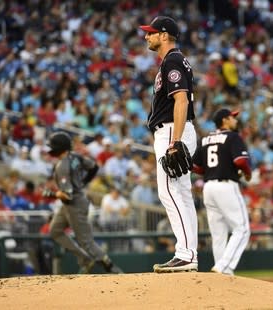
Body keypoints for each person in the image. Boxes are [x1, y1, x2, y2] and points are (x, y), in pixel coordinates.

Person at [139, 16, 198, 272]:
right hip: (178, 130)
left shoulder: (173, 60)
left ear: (164, 35)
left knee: (169, 191)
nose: (146, 36)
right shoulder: (175, 60)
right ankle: (190, 253)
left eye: (151, 33)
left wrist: (174, 141)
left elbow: (181, 101)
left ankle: (185, 253)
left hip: (173, 130)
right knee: (182, 193)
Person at [44, 131, 122, 274]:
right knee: (55, 230)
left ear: (58, 148)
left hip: (74, 205)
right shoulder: (76, 156)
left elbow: (67, 195)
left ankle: (113, 269)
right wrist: (83, 182)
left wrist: (51, 194)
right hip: (73, 203)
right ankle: (84, 259)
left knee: (86, 242)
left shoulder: (62, 166)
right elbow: (94, 167)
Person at [192, 108, 251, 275]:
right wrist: (248, 173)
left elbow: (195, 166)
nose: (235, 120)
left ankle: (222, 273)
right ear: (225, 120)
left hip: (208, 187)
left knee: (218, 234)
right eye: (233, 118)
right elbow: (240, 161)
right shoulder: (232, 137)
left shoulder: (206, 139)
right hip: (226, 186)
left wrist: (213, 170)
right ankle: (223, 267)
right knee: (242, 229)